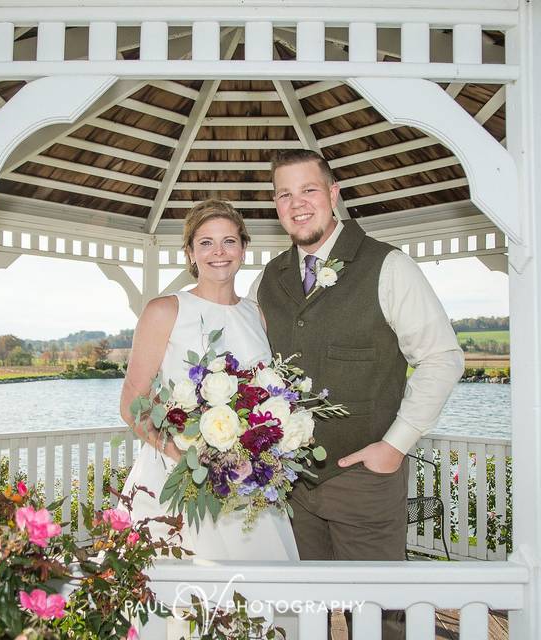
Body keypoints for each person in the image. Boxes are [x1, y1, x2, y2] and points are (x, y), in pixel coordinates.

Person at [248, 149, 465, 639]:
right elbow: (252, 368)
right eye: (285, 194)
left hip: (366, 480)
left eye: (308, 190)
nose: (297, 203)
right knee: (307, 614)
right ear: (275, 205)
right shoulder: (268, 280)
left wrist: (393, 447)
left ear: (333, 194)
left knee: (383, 616)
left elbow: (442, 358)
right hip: (292, 488)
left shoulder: (389, 266)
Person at [118, 198, 299, 562]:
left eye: (229, 241)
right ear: (190, 252)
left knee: (259, 593)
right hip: (181, 478)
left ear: (244, 249)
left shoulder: (255, 314)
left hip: (249, 481)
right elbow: (131, 405)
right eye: (205, 242)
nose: (219, 252)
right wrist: (184, 458)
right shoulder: (165, 310)